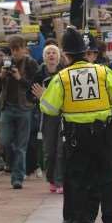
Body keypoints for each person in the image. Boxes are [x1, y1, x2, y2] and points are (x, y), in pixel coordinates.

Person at [40, 26, 112, 223]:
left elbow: (48, 108)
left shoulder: (62, 77)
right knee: (106, 179)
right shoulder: (103, 71)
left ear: (66, 55)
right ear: (84, 52)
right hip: (102, 133)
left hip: (76, 136)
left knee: (78, 182)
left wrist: (62, 106)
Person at [0, 35, 39, 189]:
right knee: (5, 142)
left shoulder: (31, 63)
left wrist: (20, 78)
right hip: (7, 107)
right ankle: (14, 168)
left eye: (18, 49)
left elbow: (34, 86)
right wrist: (1, 76)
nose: (15, 53)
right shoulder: (3, 63)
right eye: (12, 49)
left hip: (24, 108)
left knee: (21, 146)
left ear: (24, 48)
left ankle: (17, 178)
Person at [32, 45, 65, 193]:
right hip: (46, 117)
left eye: (54, 53)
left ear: (58, 57)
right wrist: (40, 97)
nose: (51, 55)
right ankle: (51, 179)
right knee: (49, 152)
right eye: (48, 53)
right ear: (44, 57)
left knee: (60, 150)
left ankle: (60, 182)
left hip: (63, 115)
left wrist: (47, 94)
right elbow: (31, 95)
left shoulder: (64, 73)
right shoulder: (38, 74)